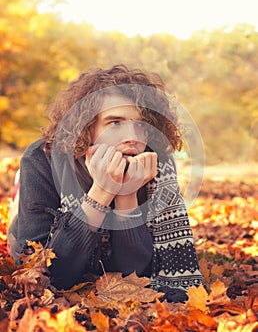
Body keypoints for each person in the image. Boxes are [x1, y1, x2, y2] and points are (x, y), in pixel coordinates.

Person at [7, 64, 202, 302]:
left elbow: (135, 274)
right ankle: (19, 196)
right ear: (86, 128)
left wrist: (126, 196)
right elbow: (48, 276)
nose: (132, 136)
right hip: (41, 215)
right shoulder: (40, 158)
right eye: (115, 123)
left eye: (141, 125)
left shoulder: (156, 161)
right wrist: (101, 191)